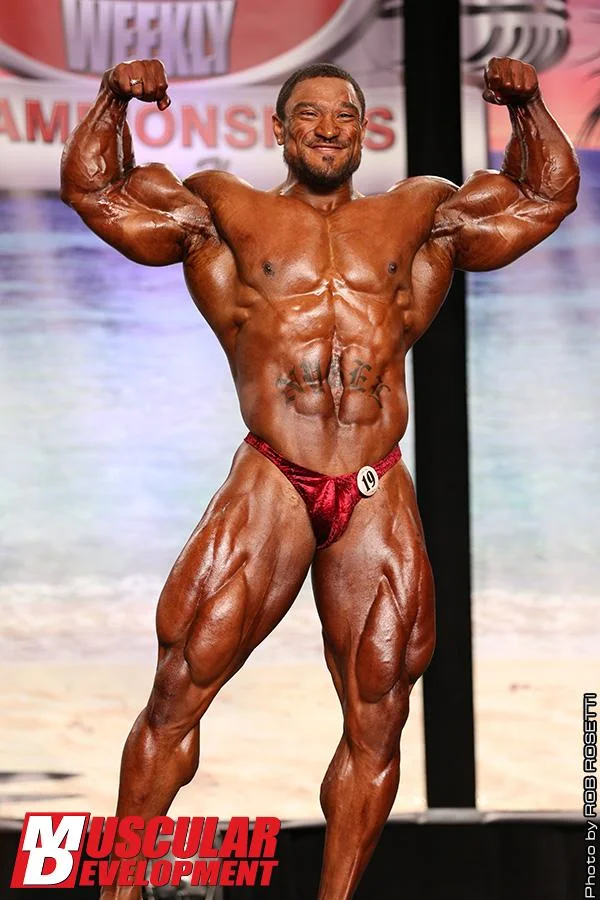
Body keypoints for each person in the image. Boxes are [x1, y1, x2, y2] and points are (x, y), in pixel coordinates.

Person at [60, 56, 579, 900]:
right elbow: (97, 192)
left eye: (344, 114)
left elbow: (545, 197)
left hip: (374, 483)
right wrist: (114, 99)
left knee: (381, 712)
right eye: (309, 113)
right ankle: (120, 889)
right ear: (279, 128)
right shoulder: (225, 209)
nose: (328, 127)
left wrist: (527, 110)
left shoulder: (420, 214)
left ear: (366, 130)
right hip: (275, 474)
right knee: (180, 685)